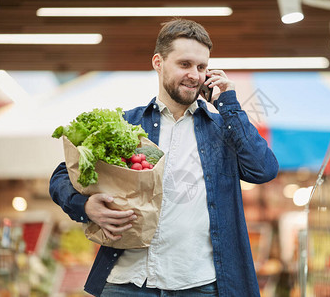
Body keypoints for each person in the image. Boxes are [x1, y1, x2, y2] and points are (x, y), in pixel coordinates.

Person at [49, 18, 279, 297]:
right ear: (158, 62)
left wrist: (228, 104)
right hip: (127, 283)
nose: (195, 75)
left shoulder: (223, 131)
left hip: (201, 284)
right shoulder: (127, 126)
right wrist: (85, 206)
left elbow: (263, 169)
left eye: (201, 67)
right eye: (184, 64)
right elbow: (63, 175)